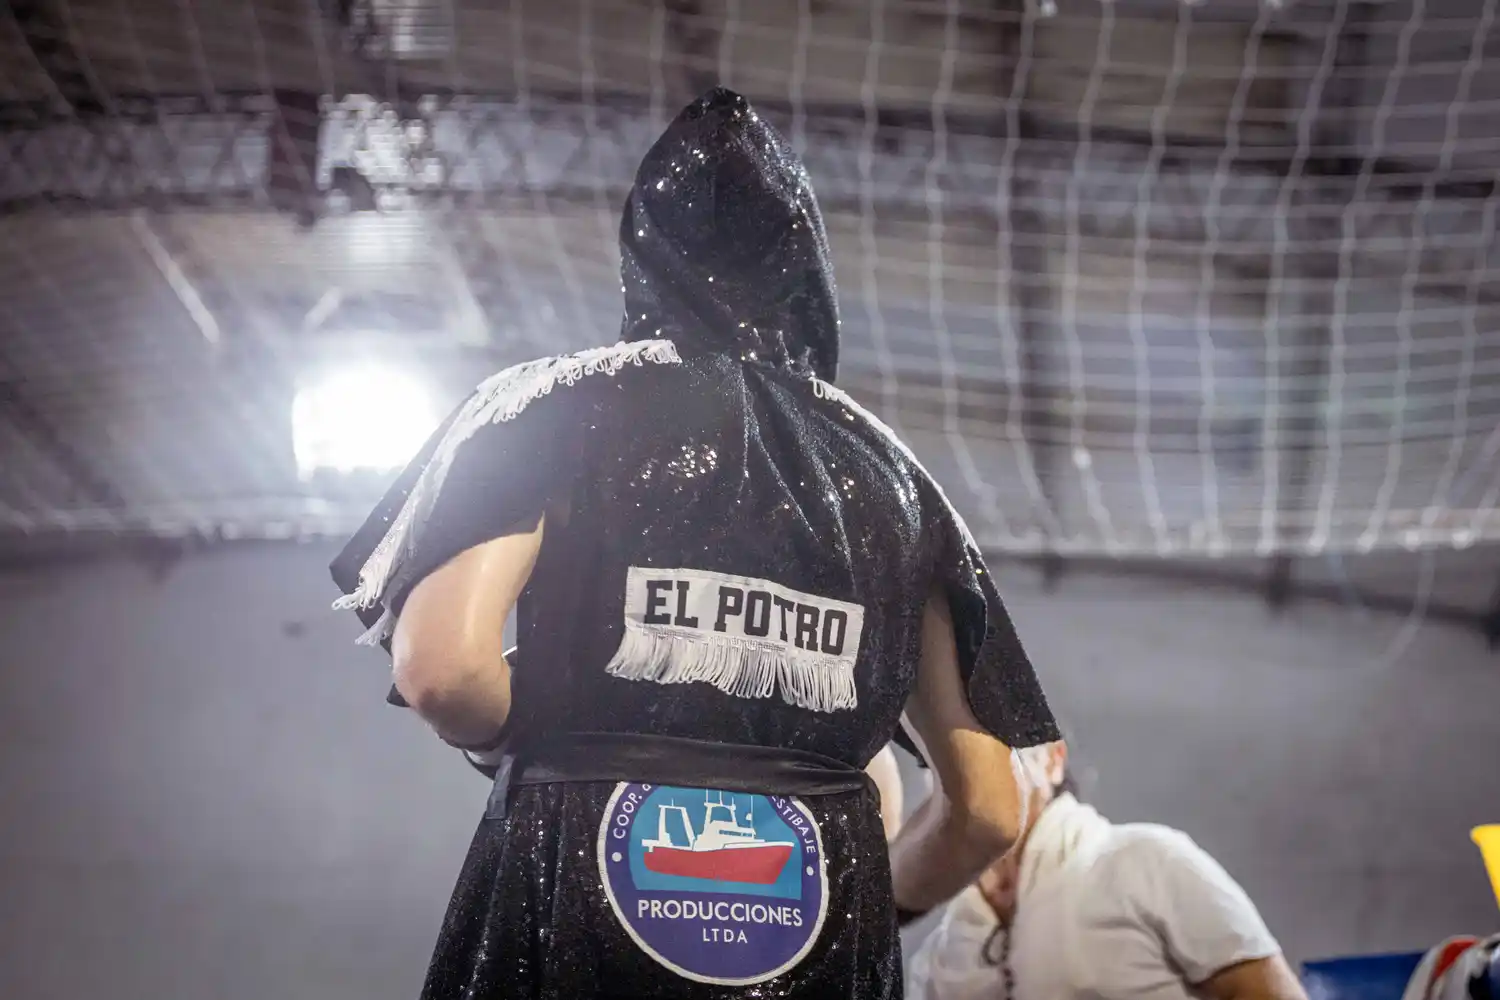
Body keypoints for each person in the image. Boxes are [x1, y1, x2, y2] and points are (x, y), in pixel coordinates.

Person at [331, 86, 1059, 999]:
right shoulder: (896, 477)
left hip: (575, 866)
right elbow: (991, 808)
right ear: (808, 271)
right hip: (828, 902)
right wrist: (882, 904)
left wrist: (543, 736)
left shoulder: (553, 405)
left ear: (645, 252)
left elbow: (441, 671)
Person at [906, 742, 1308, 1000]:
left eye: (996, 750)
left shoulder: (1146, 862)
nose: (967, 772)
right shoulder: (947, 953)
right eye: (942, 760)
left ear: (1053, 761)